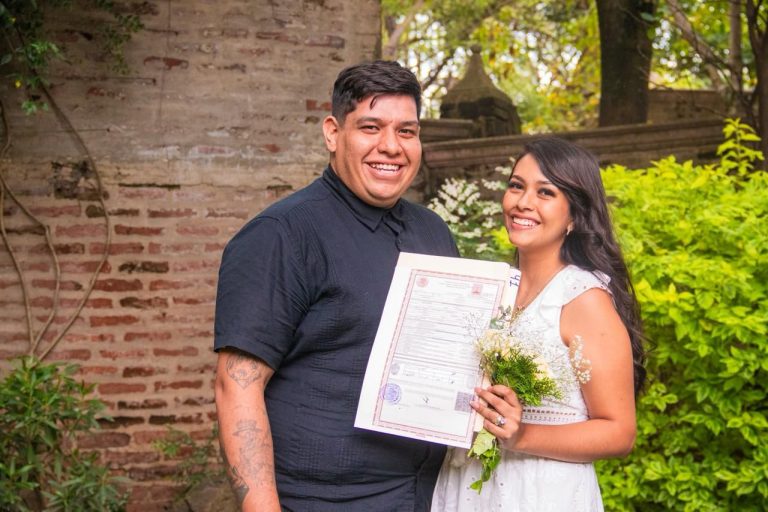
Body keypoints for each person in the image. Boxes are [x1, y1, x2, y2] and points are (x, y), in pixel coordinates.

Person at [213, 60, 459, 511]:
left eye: (406, 131)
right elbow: (237, 387)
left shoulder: (433, 233)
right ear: (332, 132)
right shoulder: (281, 235)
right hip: (321, 501)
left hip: (427, 495)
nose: (391, 146)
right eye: (370, 127)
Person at [431, 137, 645, 511]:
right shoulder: (494, 291)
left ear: (575, 215)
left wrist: (522, 435)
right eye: (517, 186)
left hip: (539, 492)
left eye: (545, 192)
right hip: (469, 483)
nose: (523, 202)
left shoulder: (582, 298)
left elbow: (619, 432)